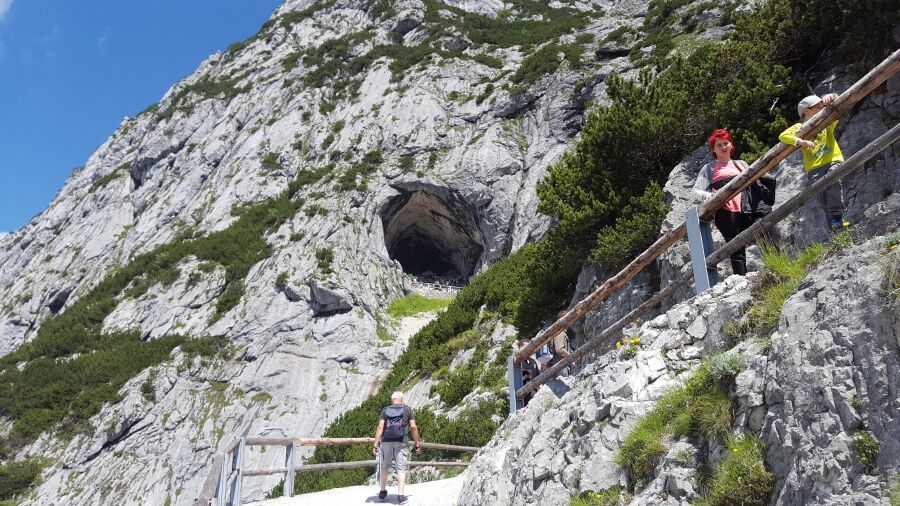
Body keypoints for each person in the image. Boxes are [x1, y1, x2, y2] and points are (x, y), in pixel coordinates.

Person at [692, 129, 757, 275]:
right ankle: (741, 279)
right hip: (724, 211)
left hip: (746, 207)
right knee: (735, 246)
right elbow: (696, 190)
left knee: (758, 235)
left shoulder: (741, 164)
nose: (723, 147)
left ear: (731, 145)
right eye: (719, 145)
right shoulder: (709, 168)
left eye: (725, 143)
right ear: (714, 149)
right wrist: (710, 196)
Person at [779, 93, 848, 230]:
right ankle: (836, 230)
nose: (822, 108)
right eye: (818, 107)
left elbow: (839, 104)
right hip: (813, 168)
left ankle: (836, 216)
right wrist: (800, 141)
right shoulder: (799, 127)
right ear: (807, 111)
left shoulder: (826, 121)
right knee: (822, 196)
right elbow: (783, 135)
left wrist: (831, 96)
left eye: (822, 106)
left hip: (831, 160)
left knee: (833, 179)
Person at [373, 391, 421, 504]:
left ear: (392, 400)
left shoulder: (385, 410)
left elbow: (380, 427)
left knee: (385, 466)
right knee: (401, 468)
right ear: (402, 399)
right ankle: (400, 496)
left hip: (386, 441)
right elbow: (413, 427)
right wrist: (417, 443)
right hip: (401, 441)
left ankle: (382, 492)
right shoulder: (407, 409)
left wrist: (375, 444)